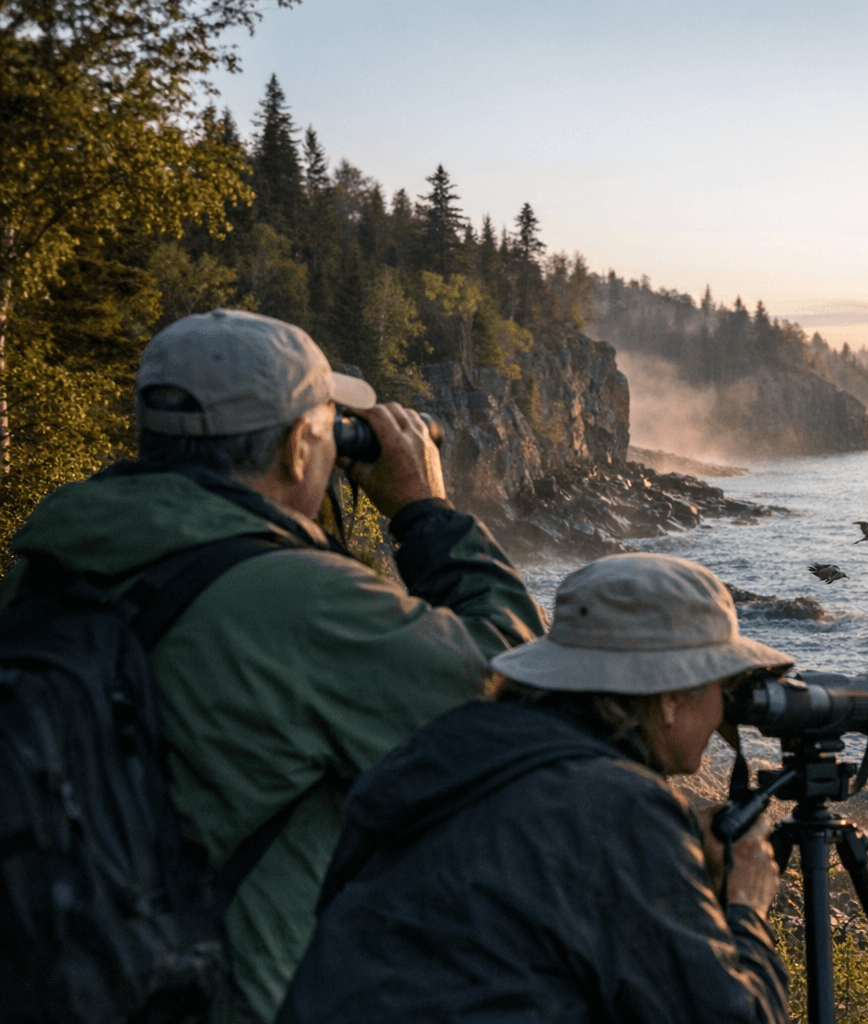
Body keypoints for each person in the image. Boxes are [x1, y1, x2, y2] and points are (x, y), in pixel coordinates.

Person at [0, 309, 546, 1021]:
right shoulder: (300, 602)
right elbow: (517, 685)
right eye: (329, 428)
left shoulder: (48, 565)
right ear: (298, 447)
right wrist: (425, 512)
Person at [276, 552, 793, 1024]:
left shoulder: (453, 750)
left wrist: (664, 855)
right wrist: (746, 904)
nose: (726, 712)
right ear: (669, 698)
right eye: (722, 686)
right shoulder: (617, 808)